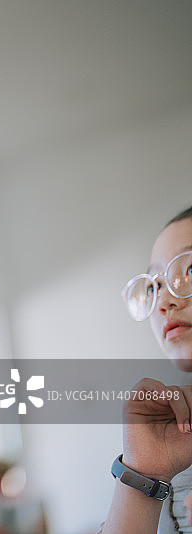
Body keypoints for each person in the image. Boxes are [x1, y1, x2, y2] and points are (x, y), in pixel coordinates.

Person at [102, 205, 192, 533]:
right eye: (154, 286)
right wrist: (143, 472)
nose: (164, 301)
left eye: (190, 268)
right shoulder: (175, 429)